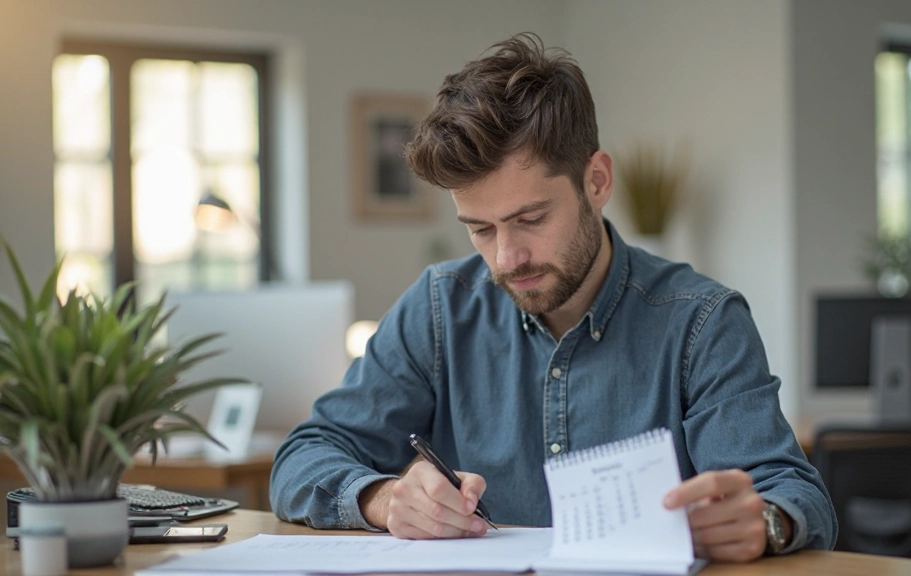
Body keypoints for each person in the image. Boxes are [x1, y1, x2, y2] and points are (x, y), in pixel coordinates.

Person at [270, 32, 837, 562]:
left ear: (597, 181)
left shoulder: (701, 322)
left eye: (531, 218)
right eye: (481, 229)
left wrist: (764, 522)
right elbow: (303, 457)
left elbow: (794, 496)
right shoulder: (441, 308)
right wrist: (384, 497)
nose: (507, 258)